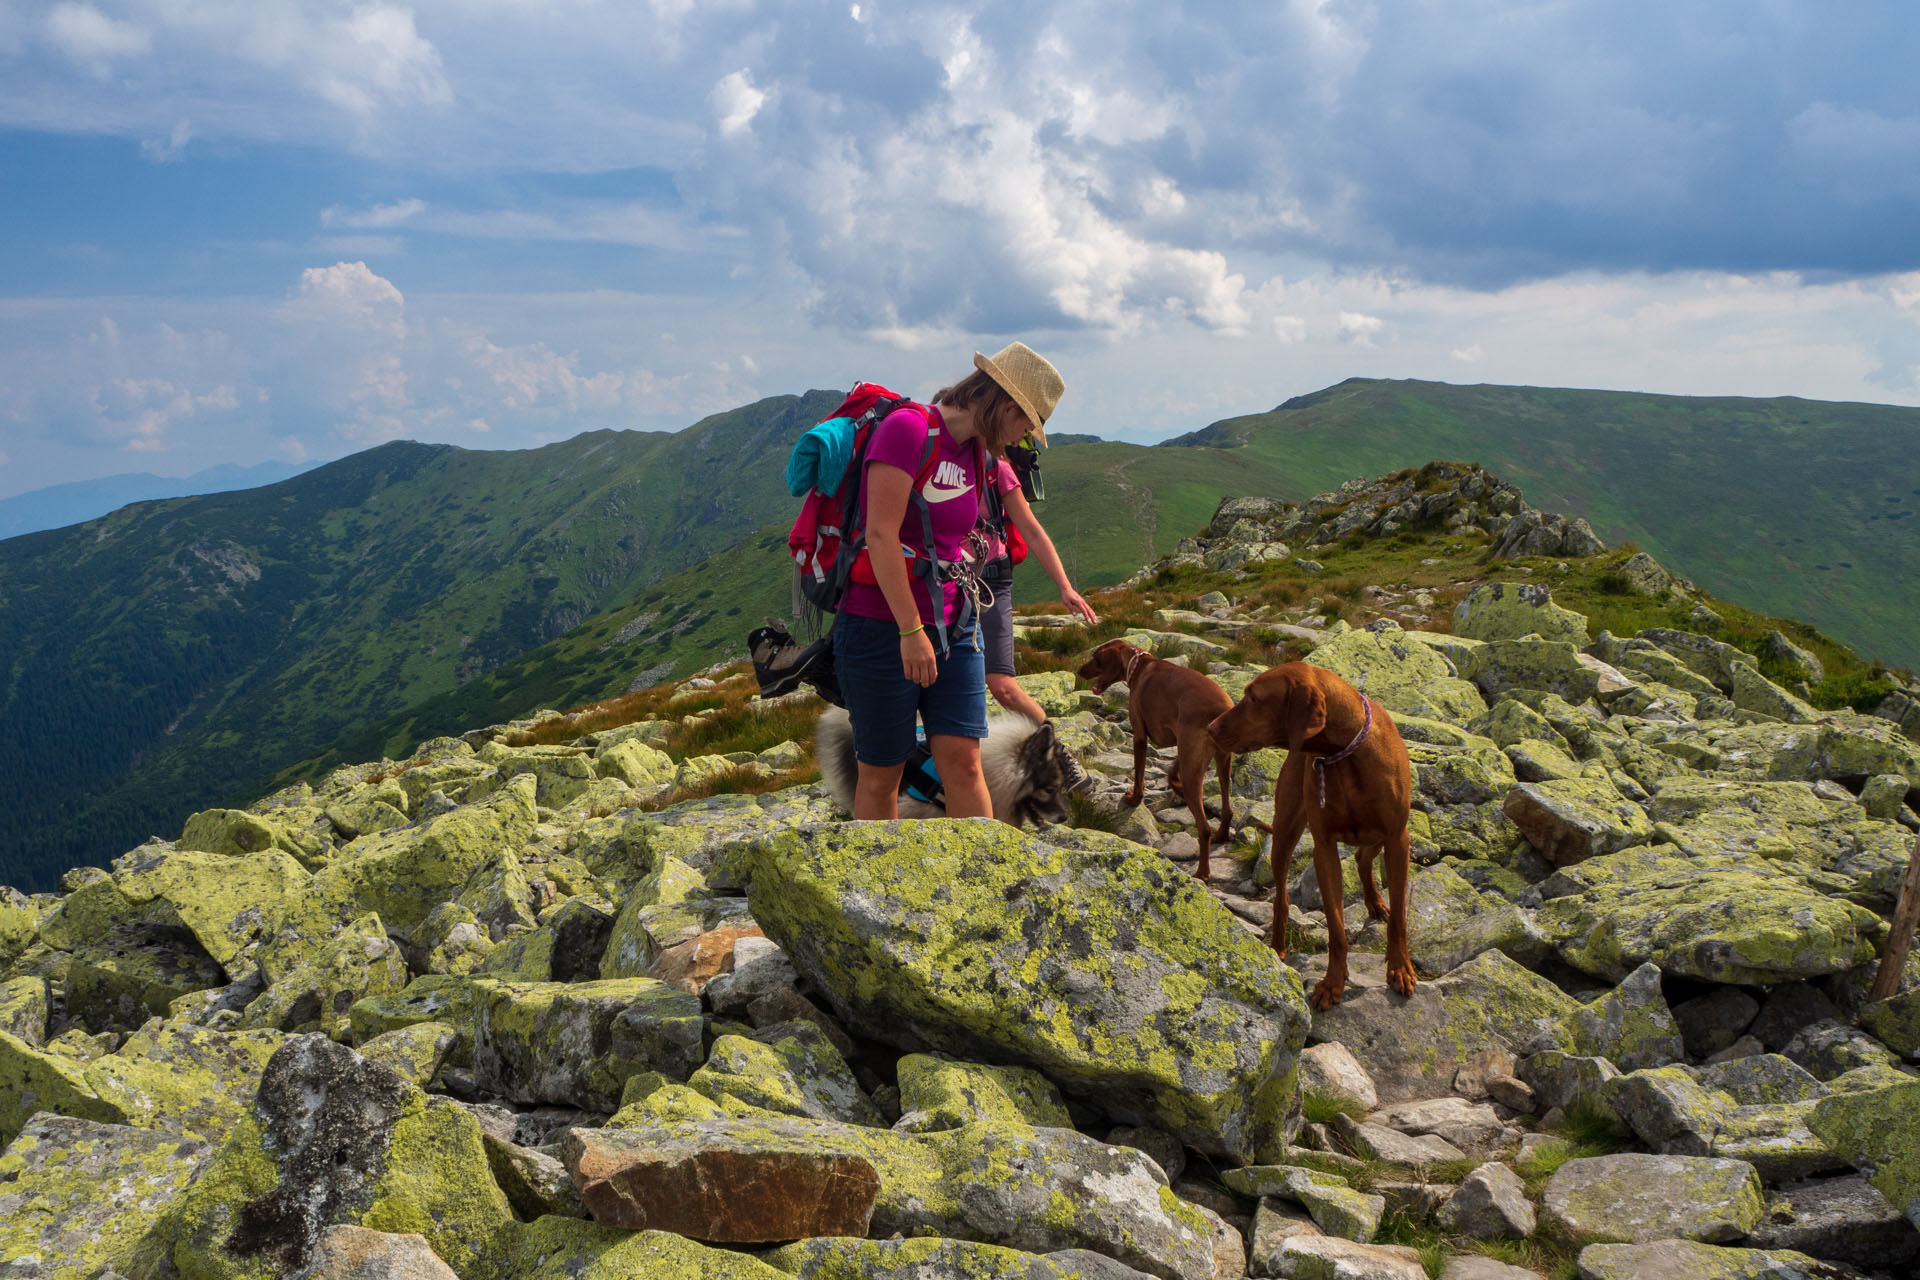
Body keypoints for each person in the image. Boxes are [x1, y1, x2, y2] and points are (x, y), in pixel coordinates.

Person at [836, 342, 1064, 820]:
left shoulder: (976, 455)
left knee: (965, 763)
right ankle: (879, 889)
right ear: (1006, 405)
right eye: (1026, 424)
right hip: (882, 624)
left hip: (956, 623)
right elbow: (879, 534)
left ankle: (978, 883)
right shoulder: (908, 430)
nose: (1024, 437)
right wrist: (910, 631)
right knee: (882, 773)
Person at [970, 427, 1099, 792]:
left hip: (991, 583)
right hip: (943, 584)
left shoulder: (997, 468)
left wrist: (1065, 587)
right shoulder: (935, 466)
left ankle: (1060, 756)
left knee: (1002, 686)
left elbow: (1033, 531)